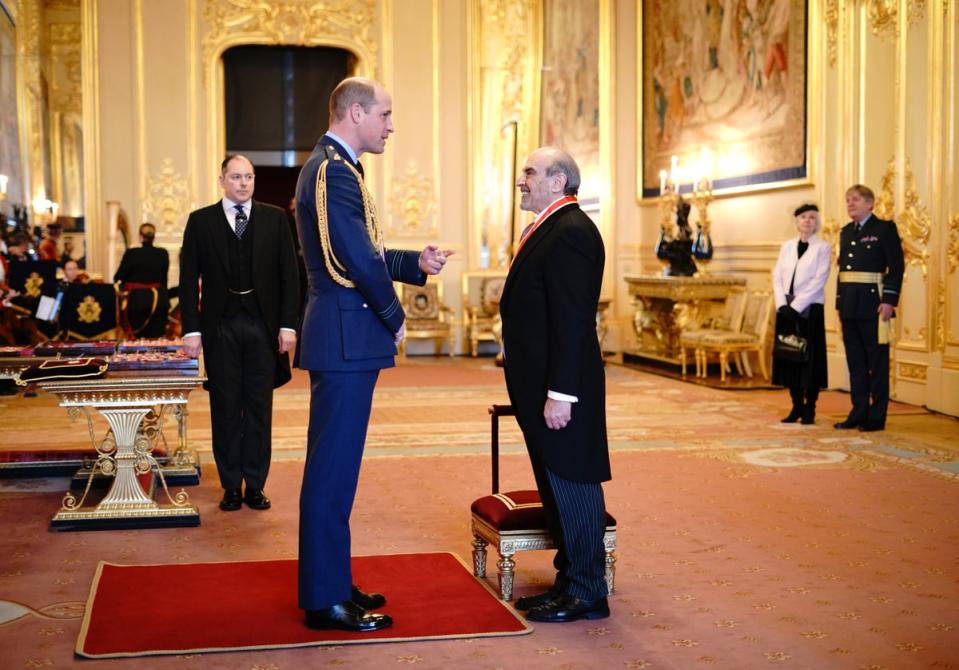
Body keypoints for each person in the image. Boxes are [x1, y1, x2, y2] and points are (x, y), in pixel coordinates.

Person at [293, 76, 451, 633]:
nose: (390, 126)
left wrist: (414, 264)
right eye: (384, 114)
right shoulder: (333, 170)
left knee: (338, 471)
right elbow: (356, 261)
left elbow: (367, 248)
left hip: (342, 336)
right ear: (355, 113)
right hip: (344, 336)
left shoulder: (336, 167)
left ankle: (332, 582)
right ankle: (323, 598)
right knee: (332, 473)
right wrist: (396, 315)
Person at [500, 146, 610, 623]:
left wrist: (561, 393)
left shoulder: (571, 232)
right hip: (542, 386)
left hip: (562, 391)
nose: (521, 179)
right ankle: (570, 582)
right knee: (556, 486)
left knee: (574, 483)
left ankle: (587, 591)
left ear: (558, 179)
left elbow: (572, 320)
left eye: (530, 172)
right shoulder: (551, 227)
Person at [179, 155, 299, 511]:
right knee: (225, 407)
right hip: (220, 326)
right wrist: (191, 330)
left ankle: (256, 485)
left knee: (260, 408)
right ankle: (231, 485)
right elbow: (188, 281)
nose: (243, 183)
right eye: (236, 177)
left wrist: (288, 325)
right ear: (222, 180)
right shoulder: (200, 221)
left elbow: (289, 276)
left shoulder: (275, 219)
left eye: (249, 177)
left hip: (263, 326)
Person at [834, 184, 904, 432]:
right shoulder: (845, 232)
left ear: (869, 204)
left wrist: (889, 300)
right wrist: (839, 304)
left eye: (855, 200)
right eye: (847, 200)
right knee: (856, 364)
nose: (850, 204)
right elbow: (843, 273)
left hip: (874, 306)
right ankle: (858, 411)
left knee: (876, 363)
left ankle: (876, 416)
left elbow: (896, 268)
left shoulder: (884, 229)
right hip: (850, 307)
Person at [771, 204, 832, 424]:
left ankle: (810, 408)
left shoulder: (823, 248)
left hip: (809, 310)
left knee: (809, 360)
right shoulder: (786, 247)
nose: (807, 221)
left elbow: (819, 280)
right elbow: (777, 275)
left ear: (817, 223)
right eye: (803, 217)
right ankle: (796, 406)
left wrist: (796, 307)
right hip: (786, 309)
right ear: (796, 222)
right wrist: (782, 305)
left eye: (812, 218)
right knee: (790, 357)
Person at [114, 223, 170, 338]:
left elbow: (118, 277)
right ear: (154, 237)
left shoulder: (132, 253)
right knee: (157, 341)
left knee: (137, 341)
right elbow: (164, 280)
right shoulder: (163, 253)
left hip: (137, 301)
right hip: (160, 301)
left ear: (140, 236)